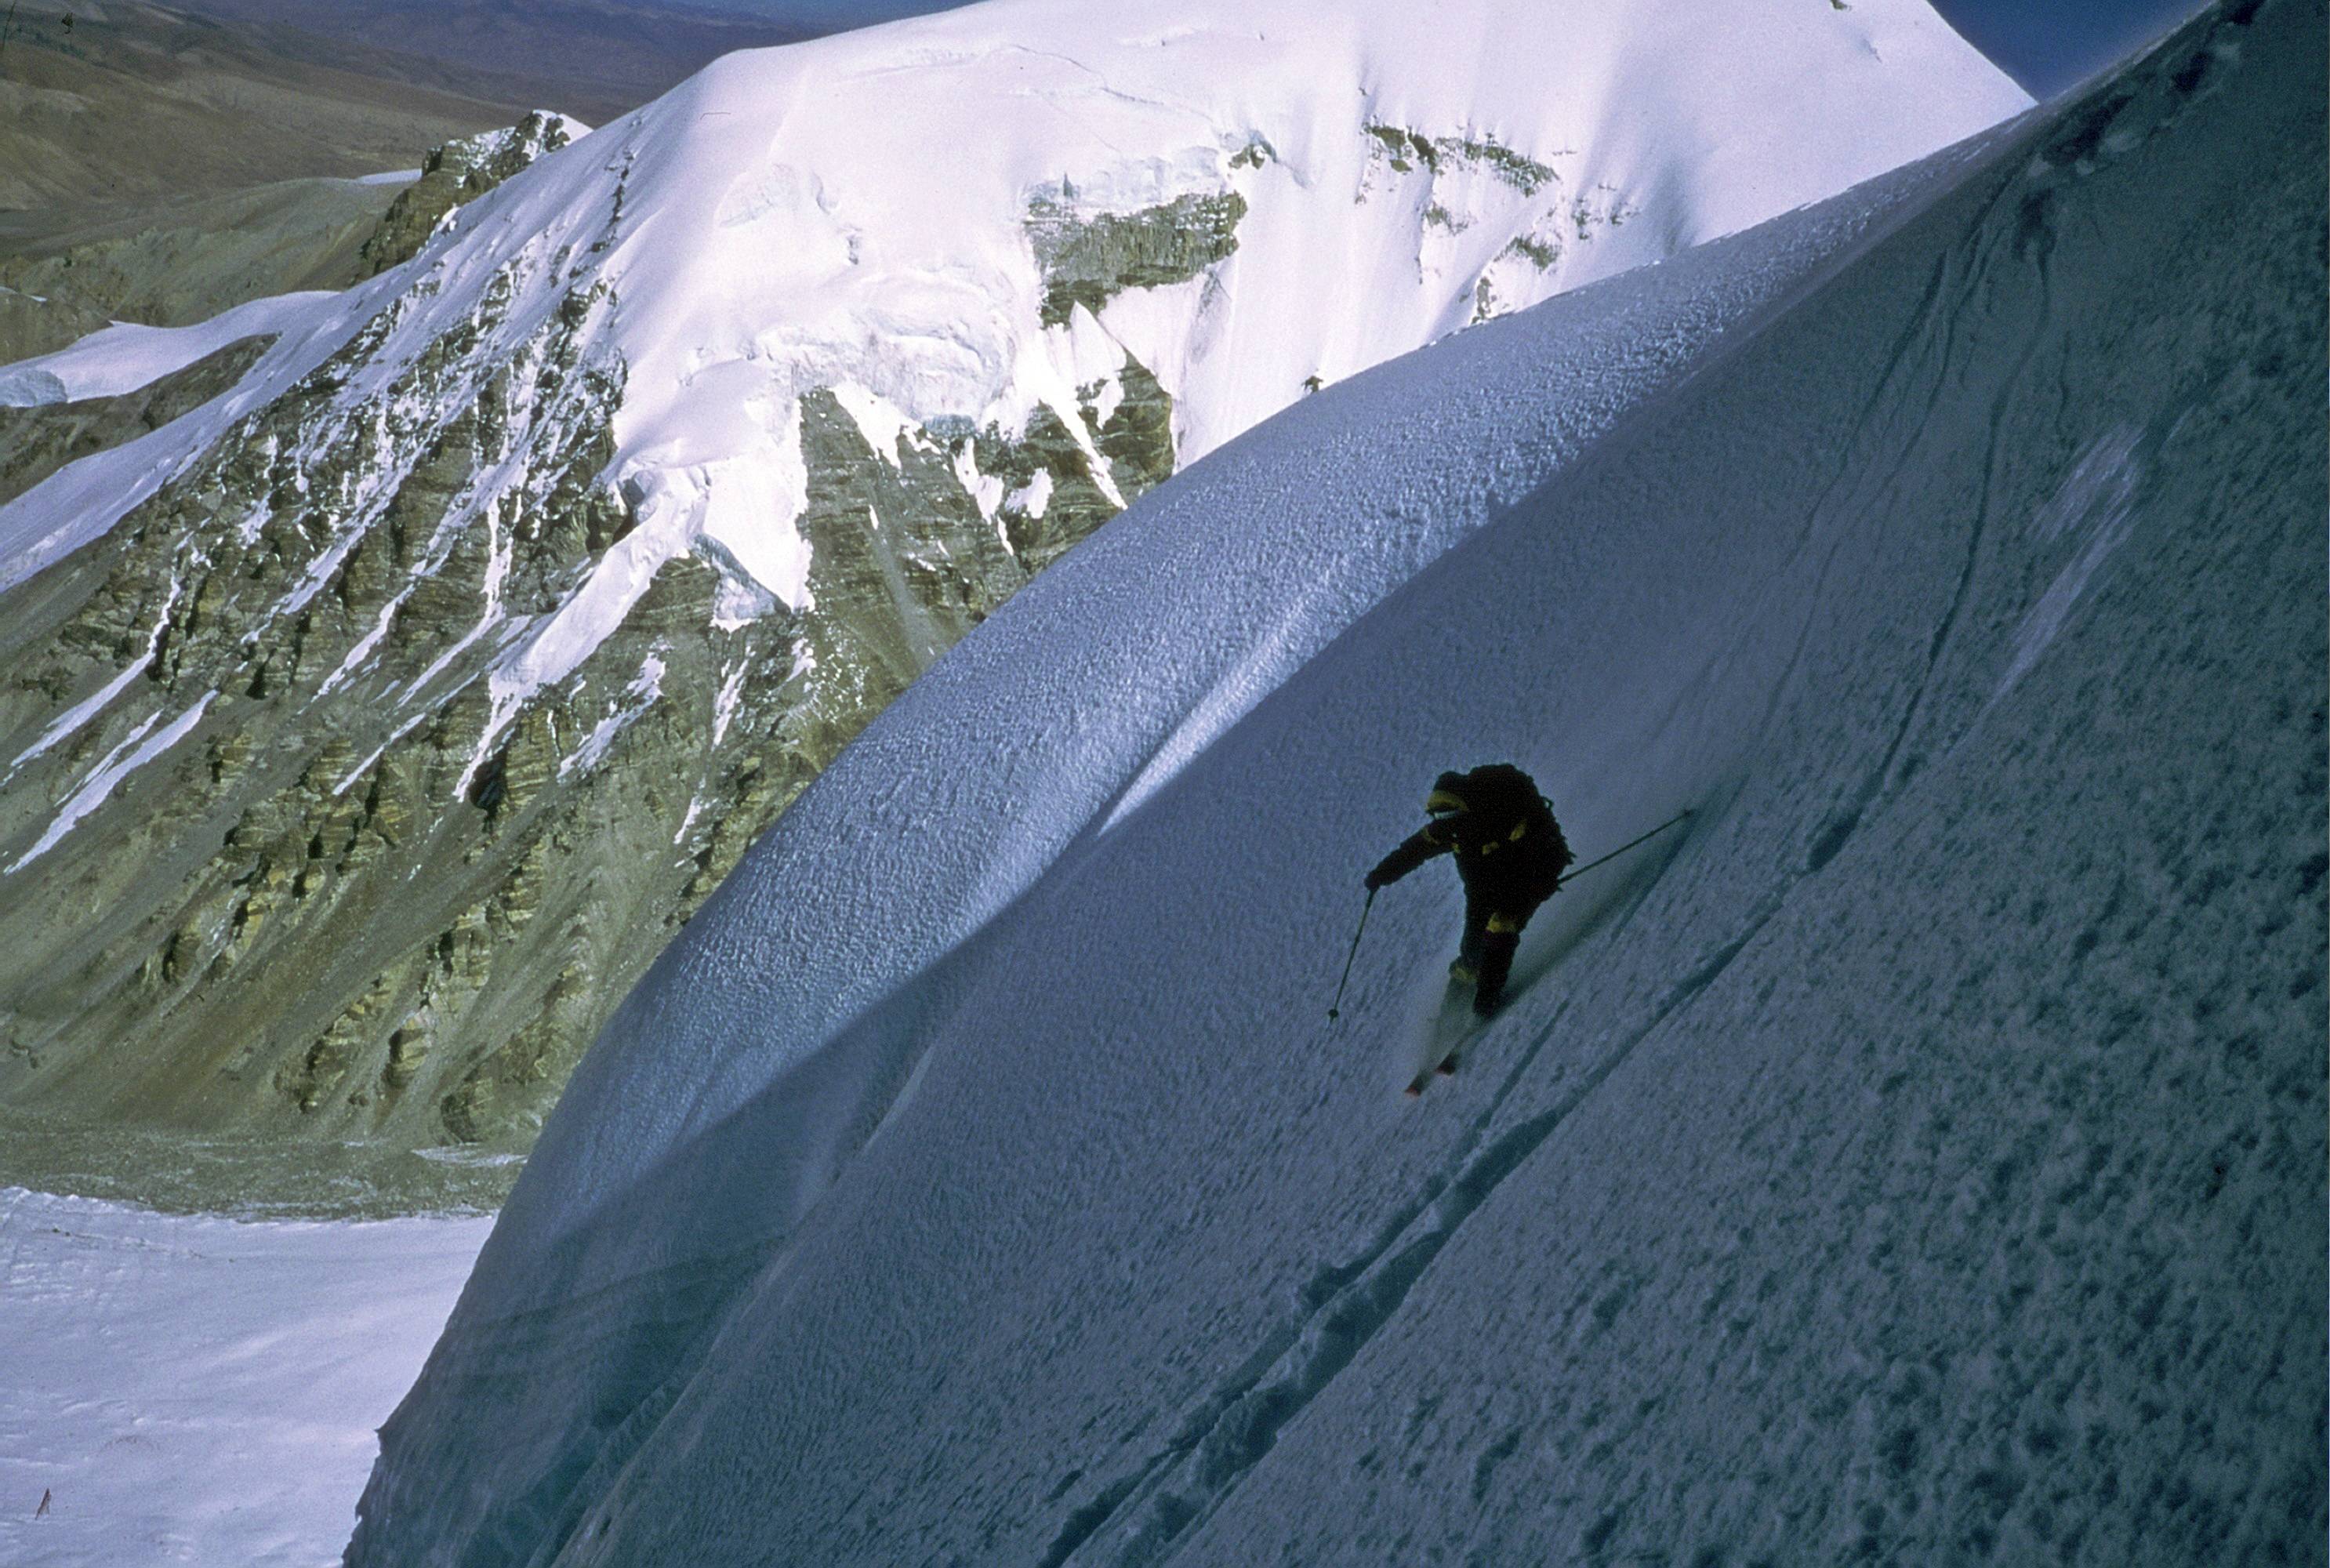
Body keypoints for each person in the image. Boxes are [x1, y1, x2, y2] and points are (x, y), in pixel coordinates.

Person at [1365, 763, 1570, 1016]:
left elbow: (1542, 839)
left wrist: (1544, 876)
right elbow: (1414, 850)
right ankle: (1448, 1019)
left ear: (1463, 806)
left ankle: (1486, 998)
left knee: (1502, 924)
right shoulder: (1447, 828)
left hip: (1529, 873)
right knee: (1471, 952)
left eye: (1449, 814)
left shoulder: (1498, 812)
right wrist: (1381, 875)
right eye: (1438, 816)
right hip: (1483, 889)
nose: (1444, 822)